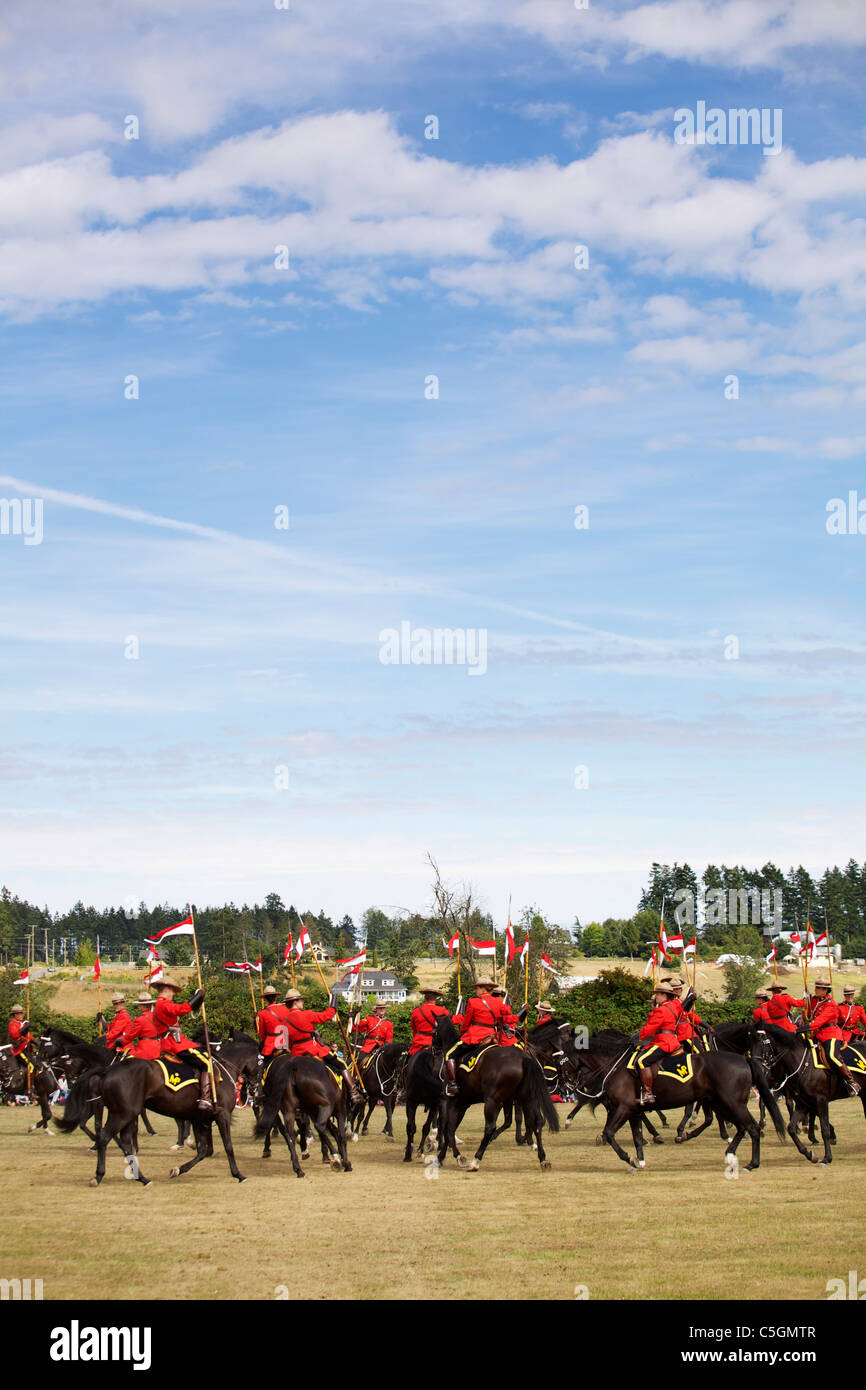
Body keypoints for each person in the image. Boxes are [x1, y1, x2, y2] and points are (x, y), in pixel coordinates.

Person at [281, 989, 361, 1102]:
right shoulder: (307, 1014)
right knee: (341, 1063)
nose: (302, 1003)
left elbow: (287, 1043)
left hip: (296, 1054)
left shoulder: (284, 1021)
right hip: (313, 1049)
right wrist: (333, 1005)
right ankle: (354, 1092)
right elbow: (325, 1016)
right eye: (301, 1001)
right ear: (295, 1002)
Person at [150, 977, 212, 1111]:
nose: (173, 994)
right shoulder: (163, 1004)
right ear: (166, 990)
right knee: (207, 1062)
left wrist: (198, 999)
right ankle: (205, 1098)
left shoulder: (159, 1004)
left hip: (171, 1043)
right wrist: (197, 996)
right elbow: (181, 1009)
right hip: (175, 1044)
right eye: (172, 992)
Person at [445, 979, 508, 1096]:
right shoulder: (498, 1002)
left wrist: (463, 1031)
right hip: (491, 1036)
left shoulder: (473, 1002)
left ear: (483, 988)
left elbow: (467, 1021)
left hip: (475, 1036)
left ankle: (452, 1084)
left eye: (477, 988)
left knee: (449, 1054)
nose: (476, 990)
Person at [808, 979, 861, 1096]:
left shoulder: (831, 1004)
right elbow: (808, 1015)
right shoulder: (814, 1001)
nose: (815, 989)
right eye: (816, 987)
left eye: (818, 988)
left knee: (831, 1055)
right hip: (817, 1034)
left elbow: (818, 1022)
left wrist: (802, 1028)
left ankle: (851, 1081)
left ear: (825, 990)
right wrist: (807, 1001)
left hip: (830, 1034)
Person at [635, 981, 681, 1106]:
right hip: (670, 1040)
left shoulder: (662, 1010)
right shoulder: (672, 1007)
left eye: (658, 994)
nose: (656, 997)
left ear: (664, 995)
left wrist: (636, 1037)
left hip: (664, 1042)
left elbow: (650, 1028)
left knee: (641, 1061)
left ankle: (648, 1093)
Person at [408, 987, 450, 1055]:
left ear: (424, 998)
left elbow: (414, 1029)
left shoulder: (416, 1011)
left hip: (419, 1043)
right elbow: (453, 1021)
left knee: (407, 1061)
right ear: (436, 998)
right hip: (435, 1044)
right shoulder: (441, 1010)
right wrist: (460, 1016)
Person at [120, 995, 162, 1059]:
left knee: (124, 1059)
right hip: (158, 1048)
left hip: (144, 1050)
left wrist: (121, 1042)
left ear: (142, 1006)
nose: (138, 1007)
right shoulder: (158, 1017)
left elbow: (131, 1036)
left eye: (139, 1005)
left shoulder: (140, 1020)